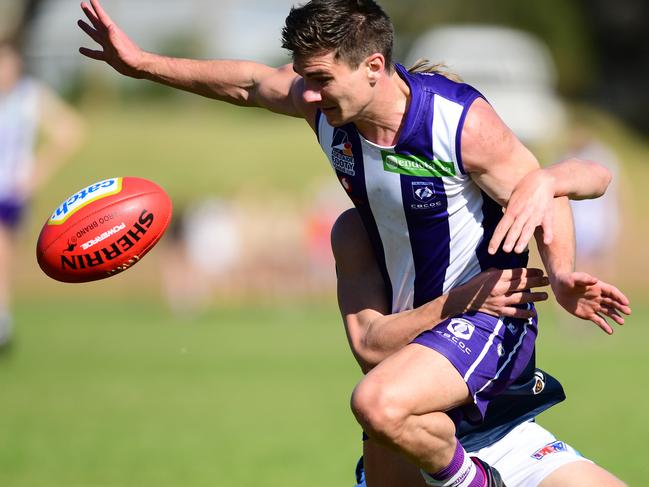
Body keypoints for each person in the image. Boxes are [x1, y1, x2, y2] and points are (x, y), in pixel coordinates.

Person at [77, 1, 630, 485]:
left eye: (320, 78)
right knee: (388, 416)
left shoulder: (458, 123)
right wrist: (142, 64)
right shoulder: (336, 157)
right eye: (303, 78)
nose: (308, 93)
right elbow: (247, 82)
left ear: (373, 67)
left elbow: (554, 188)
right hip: (424, 346)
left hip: (492, 315)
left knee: (378, 403)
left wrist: (560, 274)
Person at [331, 205, 627, 486]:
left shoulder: (486, 184)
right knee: (379, 407)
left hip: (509, 434)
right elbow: (369, 347)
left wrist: (561, 272)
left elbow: (590, 178)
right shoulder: (357, 232)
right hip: (415, 451)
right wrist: (459, 301)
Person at [0, 38, 84, 347]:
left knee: (2, 256)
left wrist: (35, 173)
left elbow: (71, 132)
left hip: (9, 192)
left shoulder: (29, 97)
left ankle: (3, 323)